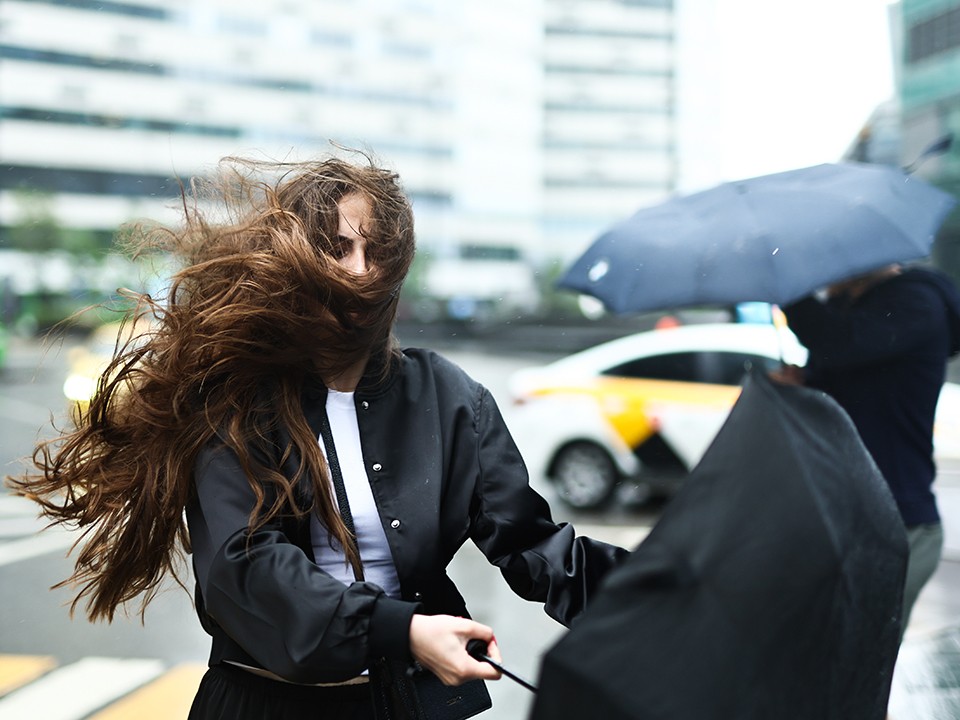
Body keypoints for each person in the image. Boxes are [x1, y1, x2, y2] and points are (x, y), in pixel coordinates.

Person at [7, 155, 628, 719]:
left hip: (401, 703)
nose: (361, 270)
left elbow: (536, 546)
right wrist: (403, 630)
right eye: (337, 248)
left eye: (376, 251)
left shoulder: (447, 396)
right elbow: (243, 565)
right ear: (296, 258)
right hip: (259, 703)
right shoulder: (238, 397)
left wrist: (679, 600)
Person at [775, 263, 960, 642]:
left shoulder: (915, 299)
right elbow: (860, 388)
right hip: (847, 518)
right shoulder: (855, 306)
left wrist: (786, 286)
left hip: (895, 527)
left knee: (854, 667)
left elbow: (841, 342)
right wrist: (804, 382)